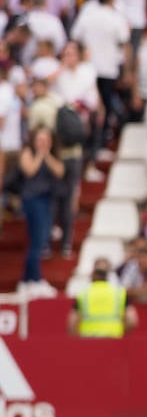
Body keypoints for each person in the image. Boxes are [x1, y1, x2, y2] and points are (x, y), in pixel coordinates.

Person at [16, 127, 63, 296]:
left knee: (41, 240)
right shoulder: (27, 152)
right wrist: (40, 155)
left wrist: (47, 155)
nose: (43, 143)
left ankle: (26, 280)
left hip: (47, 200)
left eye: (46, 139)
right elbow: (30, 171)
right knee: (37, 241)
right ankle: (34, 279)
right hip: (32, 200)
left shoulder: (54, 154)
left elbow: (59, 171)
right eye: (40, 139)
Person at [68, 257, 137, 337]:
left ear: (93, 275)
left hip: (89, 340)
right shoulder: (119, 293)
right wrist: (120, 331)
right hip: (113, 339)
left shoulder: (83, 294)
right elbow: (132, 320)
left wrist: (78, 339)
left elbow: (72, 323)